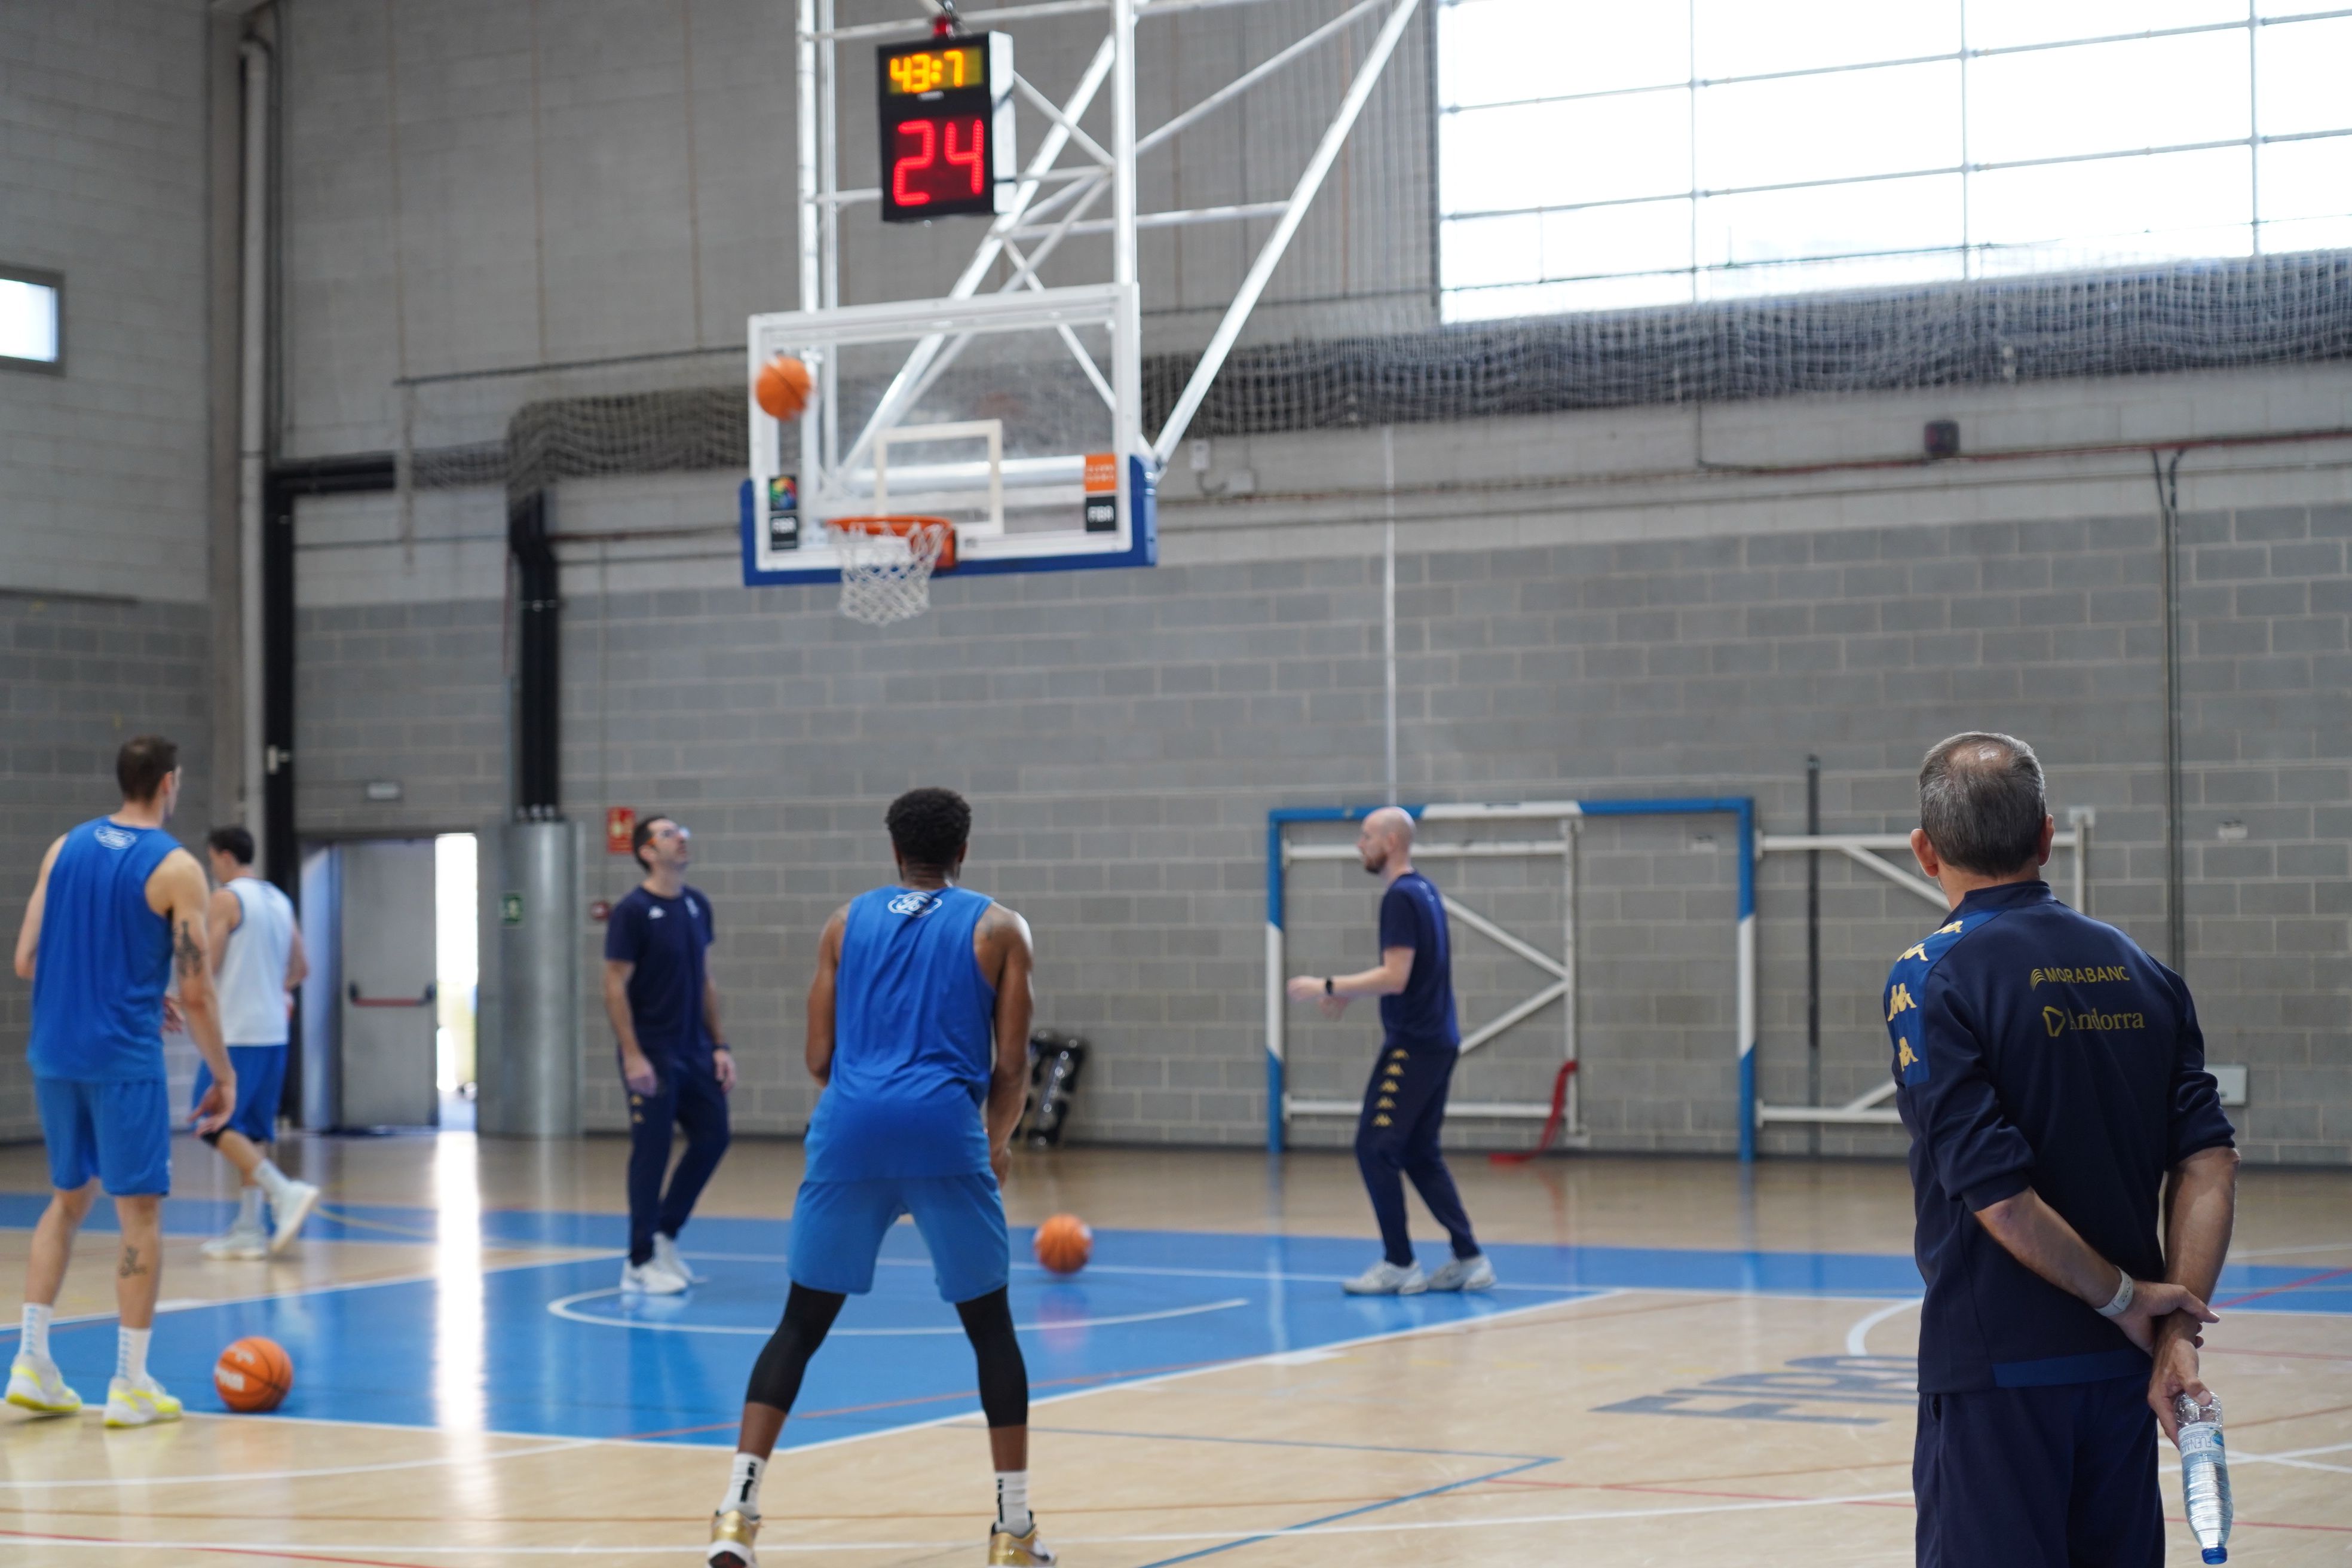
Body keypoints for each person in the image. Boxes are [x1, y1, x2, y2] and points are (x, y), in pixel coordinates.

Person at [1889, 732, 2238, 1567]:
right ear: (2047, 839)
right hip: (2124, 1376)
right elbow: (2209, 1162)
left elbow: (1999, 1199)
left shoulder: (1932, 975)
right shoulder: (2145, 970)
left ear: (1924, 852)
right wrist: (2173, 1327)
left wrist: (2125, 1300)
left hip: (1997, 1374)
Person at [706, 787, 1049, 1568]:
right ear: (964, 852)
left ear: (895, 852)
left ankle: (737, 1513)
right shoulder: (1000, 928)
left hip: (850, 1128)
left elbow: (819, 1059)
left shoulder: (843, 922)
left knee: (799, 1324)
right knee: (989, 1328)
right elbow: (1010, 1064)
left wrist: (864, 1118)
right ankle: (1014, 1530)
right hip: (943, 1130)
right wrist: (990, 1146)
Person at [6, 737, 238, 1426]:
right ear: (171, 782)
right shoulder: (177, 868)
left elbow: (26, 959)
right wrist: (222, 1074)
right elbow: (196, 993)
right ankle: (131, 1381)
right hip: (120, 1061)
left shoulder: (63, 847)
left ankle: (31, 1360)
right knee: (139, 1215)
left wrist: (114, 982)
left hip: (54, 1053)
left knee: (66, 1199)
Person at [1286, 806, 1493, 1296]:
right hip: (1439, 1040)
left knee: (1375, 1146)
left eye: (1366, 837)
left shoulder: (1401, 898)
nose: (1360, 845)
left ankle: (1399, 1262)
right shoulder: (1425, 891)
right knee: (1419, 1152)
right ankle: (1469, 1257)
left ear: (1392, 842)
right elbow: (1409, 975)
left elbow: (1396, 977)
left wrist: (1327, 984)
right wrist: (1352, 993)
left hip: (1415, 1045)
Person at [603, 814, 734, 1295]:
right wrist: (632, 1054)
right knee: (652, 1152)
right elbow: (614, 984)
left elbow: (705, 980)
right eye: (667, 834)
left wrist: (719, 1045)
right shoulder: (633, 911)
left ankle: (664, 1235)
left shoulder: (697, 905)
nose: (680, 838)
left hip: (695, 1051)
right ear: (646, 851)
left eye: (684, 832)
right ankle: (638, 1262)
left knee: (714, 1137)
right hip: (652, 1052)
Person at [191, 825, 320, 1258]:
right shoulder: (279, 900)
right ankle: (248, 1229)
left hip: (237, 1032)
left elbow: (208, 964)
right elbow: (301, 967)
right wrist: (274, 989)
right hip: (273, 1031)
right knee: (254, 1132)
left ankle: (284, 1192)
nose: (211, 868)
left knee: (211, 1120)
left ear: (224, 856)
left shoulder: (226, 900)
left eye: (211, 860)